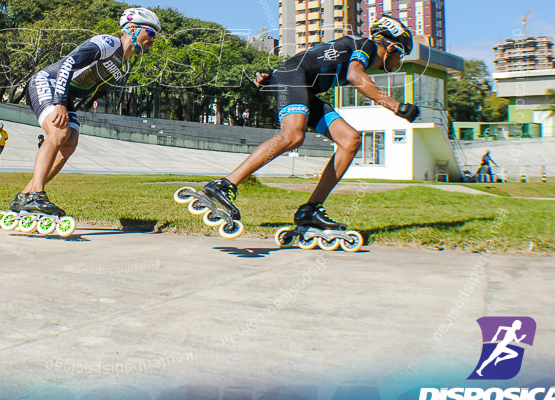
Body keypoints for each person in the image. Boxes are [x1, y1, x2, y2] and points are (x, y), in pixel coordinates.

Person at [179, 15, 420, 245]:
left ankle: (311, 209)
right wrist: (395, 106)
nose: (399, 63)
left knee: (350, 140)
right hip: (296, 78)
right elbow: (354, 75)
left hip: (298, 82)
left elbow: (313, 57)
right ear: (390, 48)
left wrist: (272, 78)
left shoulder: (357, 50)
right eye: (401, 56)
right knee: (293, 136)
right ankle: (226, 184)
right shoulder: (366, 45)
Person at [9, 7, 161, 218]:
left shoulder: (124, 65)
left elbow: (88, 89)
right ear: (132, 28)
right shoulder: (108, 43)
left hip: (68, 98)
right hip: (49, 83)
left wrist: (69, 107)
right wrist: (60, 103)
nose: (154, 40)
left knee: (70, 142)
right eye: (151, 33)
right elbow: (69, 63)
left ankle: (24, 196)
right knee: (59, 133)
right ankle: (36, 194)